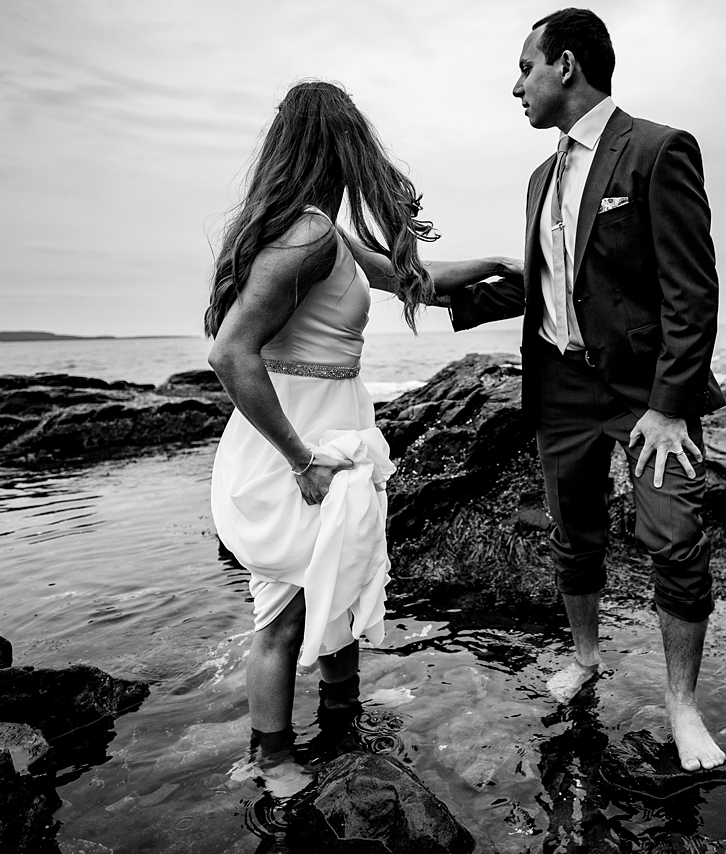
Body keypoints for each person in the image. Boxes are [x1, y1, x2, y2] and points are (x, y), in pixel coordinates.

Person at [205, 80, 520, 796]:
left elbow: (415, 281)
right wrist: (300, 458)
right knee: (283, 607)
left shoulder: (325, 230)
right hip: (299, 440)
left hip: (336, 425)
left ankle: (343, 720)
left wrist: (499, 265)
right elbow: (230, 354)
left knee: (340, 586)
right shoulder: (308, 235)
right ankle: (272, 755)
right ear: (335, 145)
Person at [440, 8, 726, 772]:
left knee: (675, 538)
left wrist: (671, 404)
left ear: (565, 65)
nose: (516, 87)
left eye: (525, 68)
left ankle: (682, 706)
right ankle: (587, 656)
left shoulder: (659, 149)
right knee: (573, 533)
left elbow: (691, 291)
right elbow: (554, 286)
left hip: (647, 393)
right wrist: (438, 291)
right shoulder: (540, 175)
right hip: (559, 384)